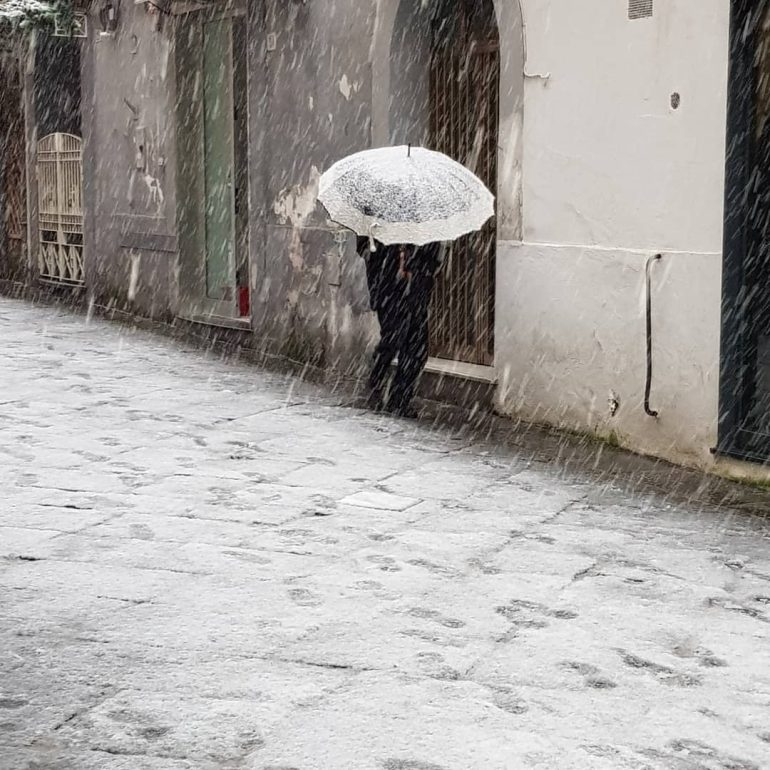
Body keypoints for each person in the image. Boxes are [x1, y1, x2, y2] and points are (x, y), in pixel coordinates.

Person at [358, 236, 443, 418]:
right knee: (393, 339)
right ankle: (376, 383)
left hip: (416, 291)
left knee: (417, 348)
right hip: (388, 290)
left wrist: (418, 267)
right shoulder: (379, 219)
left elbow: (433, 252)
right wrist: (393, 258)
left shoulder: (423, 220)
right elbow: (366, 248)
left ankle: (400, 399)